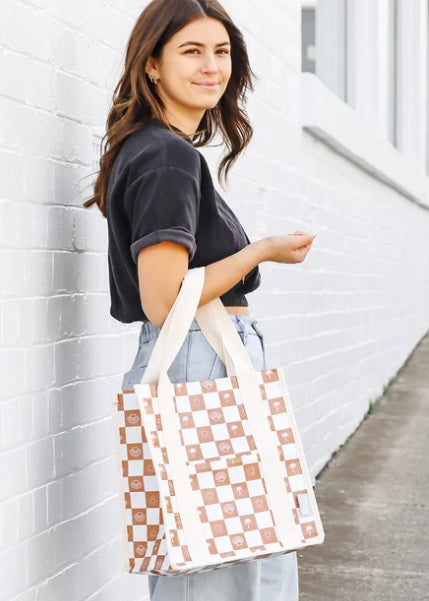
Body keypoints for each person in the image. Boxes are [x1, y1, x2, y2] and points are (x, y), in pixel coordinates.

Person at [84, 1, 316, 599]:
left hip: (202, 359)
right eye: (191, 51)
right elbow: (165, 299)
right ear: (153, 65)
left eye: (222, 51)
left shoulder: (154, 149)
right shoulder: (166, 155)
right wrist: (260, 250)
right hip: (202, 360)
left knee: (229, 556)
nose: (212, 65)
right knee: (222, 570)